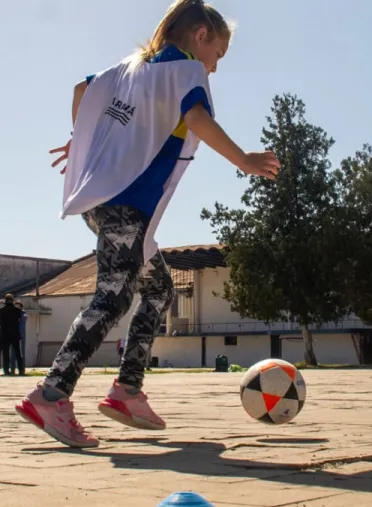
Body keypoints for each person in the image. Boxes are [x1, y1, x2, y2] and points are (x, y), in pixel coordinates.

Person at [15, 0, 280, 449]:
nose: (214, 68)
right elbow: (198, 118)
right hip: (127, 202)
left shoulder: (130, 67)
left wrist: (84, 138)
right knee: (113, 296)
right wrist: (244, 160)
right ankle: (51, 394)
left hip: (104, 202)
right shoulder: (187, 71)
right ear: (200, 36)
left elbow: (82, 89)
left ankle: (127, 391)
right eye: (218, 54)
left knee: (158, 289)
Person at [0, 294, 25, 377]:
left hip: (4, 334)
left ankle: (6, 371)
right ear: (12, 300)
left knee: (6, 354)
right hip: (15, 334)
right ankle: (21, 370)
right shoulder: (17, 310)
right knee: (17, 353)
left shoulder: (1, 310)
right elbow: (22, 317)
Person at [10, 302, 27, 373]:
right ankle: (12, 369)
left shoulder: (23, 315)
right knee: (13, 354)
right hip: (13, 336)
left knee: (21, 354)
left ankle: (21, 370)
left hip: (20, 336)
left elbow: (22, 324)